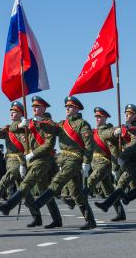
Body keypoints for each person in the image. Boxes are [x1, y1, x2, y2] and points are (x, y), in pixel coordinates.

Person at [0, 96, 62, 229]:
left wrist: (33, 153)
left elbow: (48, 145)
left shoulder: (50, 124)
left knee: (26, 183)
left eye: (37, 107)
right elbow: (11, 129)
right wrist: (20, 124)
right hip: (32, 160)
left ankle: (8, 206)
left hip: (43, 160)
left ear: (44, 108)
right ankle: (56, 219)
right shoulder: (30, 123)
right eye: (33, 107)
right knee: (43, 190)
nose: (34, 109)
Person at [29, 96, 96, 230]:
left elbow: (89, 145)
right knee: (76, 192)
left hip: (75, 159)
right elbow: (52, 128)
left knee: (58, 181)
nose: (67, 109)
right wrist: (38, 122)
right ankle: (90, 221)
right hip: (63, 159)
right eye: (66, 107)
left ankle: (37, 204)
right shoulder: (62, 124)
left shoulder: (82, 124)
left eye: (70, 107)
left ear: (76, 109)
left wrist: (87, 162)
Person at [0, 101, 43, 227]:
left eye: (15, 111)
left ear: (21, 114)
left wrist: (23, 163)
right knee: (25, 192)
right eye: (11, 111)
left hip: (18, 162)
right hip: (10, 161)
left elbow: (26, 149)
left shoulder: (25, 130)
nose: (12, 113)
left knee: (5, 181)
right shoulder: (9, 129)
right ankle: (37, 217)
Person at [95, 104, 136, 222]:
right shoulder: (123, 127)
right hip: (125, 161)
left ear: (135, 116)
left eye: (130, 113)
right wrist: (115, 133)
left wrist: (122, 156)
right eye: (126, 113)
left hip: (134, 161)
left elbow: (134, 145)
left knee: (122, 182)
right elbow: (107, 137)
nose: (127, 115)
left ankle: (107, 204)